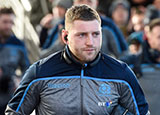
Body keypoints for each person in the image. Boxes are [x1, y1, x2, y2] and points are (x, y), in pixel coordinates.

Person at [5, 5, 149, 115]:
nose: (90, 42)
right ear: (65, 37)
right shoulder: (40, 72)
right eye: (82, 35)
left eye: (95, 34)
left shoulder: (121, 73)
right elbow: (13, 112)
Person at [0, 7, 30, 114]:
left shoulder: (18, 44)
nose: (8, 26)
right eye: (5, 22)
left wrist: (19, 80)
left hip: (8, 97)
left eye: (11, 22)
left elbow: (27, 69)